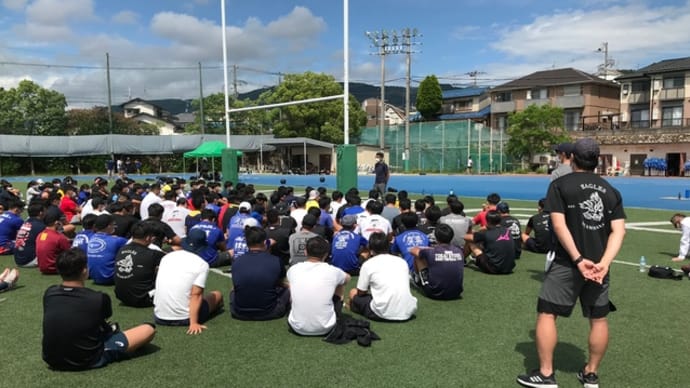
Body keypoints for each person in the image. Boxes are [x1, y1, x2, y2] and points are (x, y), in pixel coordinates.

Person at [517, 138, 626, 388]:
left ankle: (546, 374)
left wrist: (578, 259)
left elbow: (558, 224)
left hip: (568, 263)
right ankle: (591, 374)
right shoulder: (611, 190)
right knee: (598, 318)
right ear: (597, 161)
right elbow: (619, 231)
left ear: (572, 158)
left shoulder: (560, 184)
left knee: (547, 312)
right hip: (599, 267)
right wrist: (605, 263)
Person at [42, 248, 156, 371]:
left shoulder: (50, 293)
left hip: (51, 359)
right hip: (87, 359)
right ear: (85, 271)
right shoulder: (98, 298)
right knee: (148, 329)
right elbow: (103, 321)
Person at [153, 231, 224, 335]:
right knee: (217, 295)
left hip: (159, 316)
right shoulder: (202, 264)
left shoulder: (166, 258)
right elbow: (196, 294)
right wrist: (194, 323)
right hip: (185, 318)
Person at [287, 236, 350, 336]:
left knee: (293, 286)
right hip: (326, 327)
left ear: (305, 252)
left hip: (297, 327)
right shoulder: (333, 270)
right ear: (326, 254)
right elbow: (347, 279)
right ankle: (337, 312)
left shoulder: (293, 269)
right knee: (340, 284)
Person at [348, 232, 417, 322]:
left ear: (370, 248)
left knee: (353, 293)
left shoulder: (368, 264)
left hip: (382, 312)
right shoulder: (401, 262)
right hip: (408, 311)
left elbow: (361, 292)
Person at [230, 226, 290, 321]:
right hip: (270, 312)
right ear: (264, 241)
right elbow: (279, 282)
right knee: (288, 290)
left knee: (233, 290)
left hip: (239, 312)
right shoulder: (276, 260)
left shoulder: (236, 261)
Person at [114, 221, 166, 308]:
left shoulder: (121, 249)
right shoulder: (153, 254)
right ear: (148, 238)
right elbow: (173, 260)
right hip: (143, 298)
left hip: (122, 297)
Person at [409, 224, 464, 300]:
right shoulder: (459, 251)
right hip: (456, 293)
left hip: (434, 293)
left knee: (419, 257)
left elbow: (412, 250)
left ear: (436, 237)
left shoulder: (431, 252)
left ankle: (417, 279)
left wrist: (425, 247)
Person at [465, 210, 516, 275]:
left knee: (470, 243)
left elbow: (466, 237)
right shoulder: (507, 231)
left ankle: (461, 261)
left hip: (493, 269)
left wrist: (469, 231)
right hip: (509, 268)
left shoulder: (486, 234)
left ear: (487, 221)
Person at [87, 214, 128, 285]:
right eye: (113, 224)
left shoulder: (90, 237)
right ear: (109, 226)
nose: (115, 227)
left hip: (92, 276)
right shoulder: (118, 240)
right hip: (110, 278)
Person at [14, 202, 46, 267]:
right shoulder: (40, 226)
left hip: (18, 259)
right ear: (41, 213)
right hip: (29, 261)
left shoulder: (25, 223)